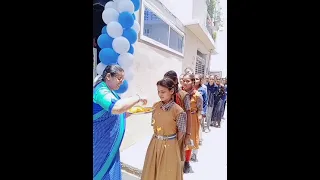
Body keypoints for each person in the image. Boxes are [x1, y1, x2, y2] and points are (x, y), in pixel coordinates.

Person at [93, 64, 147, 180]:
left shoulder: (111, 92)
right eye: (119, 78)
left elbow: (114, 114)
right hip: (100, 145)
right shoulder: (101, 91)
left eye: (123, 79)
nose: (121, 82)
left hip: (110, 146)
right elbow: (116, 108)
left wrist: (133, 111)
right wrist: (137, 97)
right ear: (108, 76)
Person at [141, 78, 186, 180]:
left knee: (166, 173)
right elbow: (154, 124)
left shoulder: (178, 111)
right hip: (155, 143)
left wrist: (170, 140)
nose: (160, 94)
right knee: (151, 170)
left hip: (170, 145)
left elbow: (181, 131)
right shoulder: (155, 106)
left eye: (163, 92)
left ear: (171, 91)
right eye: (158, 91)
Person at [163, 70, 193, 173]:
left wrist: (188, 135)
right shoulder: (166, 94)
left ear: (176, 81)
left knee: (176, 159)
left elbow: (189, 116)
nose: (166, 84)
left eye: (169, 81)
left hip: (179, 133)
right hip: (166, 132)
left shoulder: (184, 95)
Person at [182, 73, 203, 164]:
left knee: (189, 140)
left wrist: (198, 118)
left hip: (192, 120)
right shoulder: (180, 93)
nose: (185, 83)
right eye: (183, 81)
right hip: (181, 119)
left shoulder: (197, 95)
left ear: (193, 82)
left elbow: (200, 109)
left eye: (188, 81)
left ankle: (187, 162)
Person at [194, 74, 208, 144]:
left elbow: (205, 103)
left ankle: (199, 139)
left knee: (198, 126)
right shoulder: (190, 88)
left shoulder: (203, 90)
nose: (195, 80)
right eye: (194, 79)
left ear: (200, 80)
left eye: (197, 79)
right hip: (191, 112)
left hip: (199, 112)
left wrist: (203, 113)